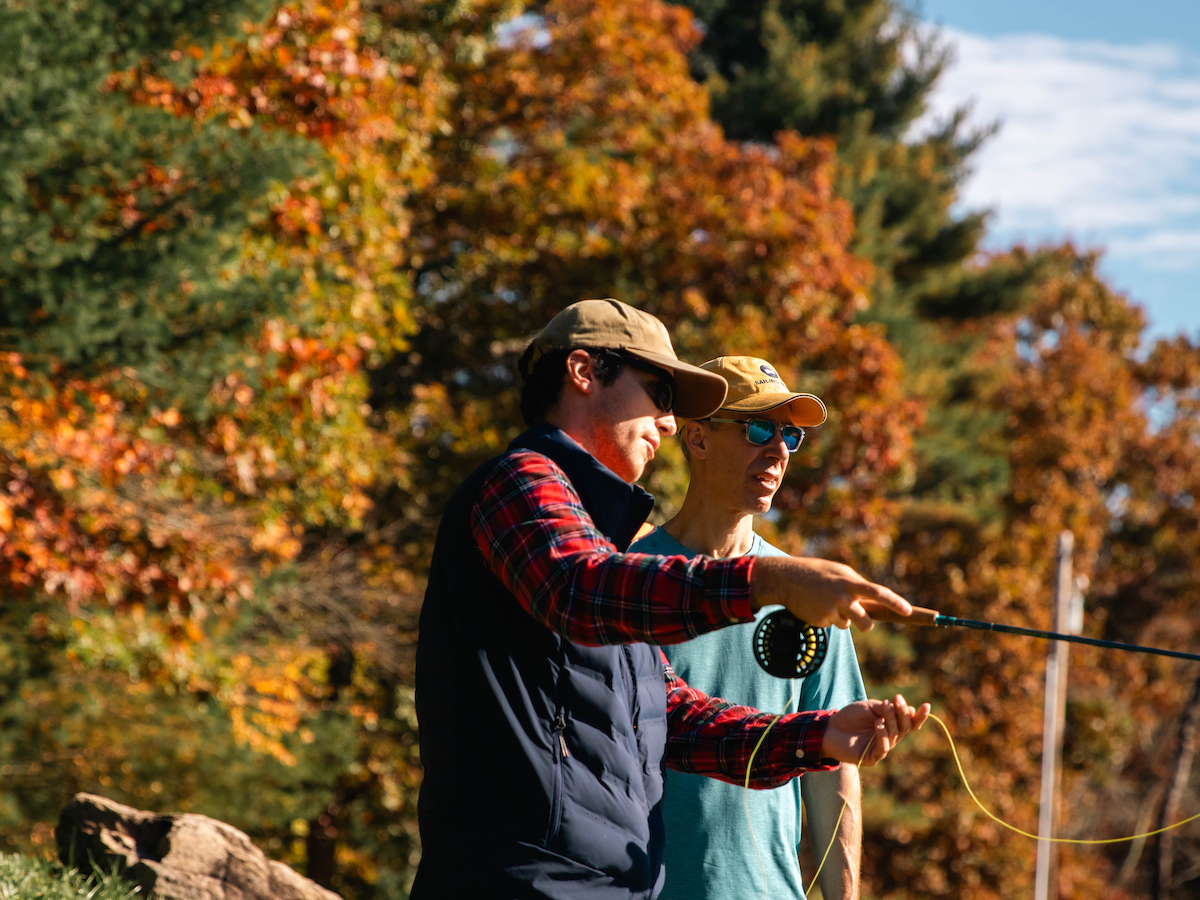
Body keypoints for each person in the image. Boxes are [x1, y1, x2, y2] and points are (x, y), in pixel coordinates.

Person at [412, 299, 929, 899]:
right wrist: (770, 581)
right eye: (659, 394)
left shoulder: (605, 548)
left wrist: (818, 738)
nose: (668, 423)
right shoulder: (520, 482)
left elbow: (674, 720)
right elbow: (578, 588)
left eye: (793, 435)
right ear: (583, 372)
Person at [632, 355, 885, 900]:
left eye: (789, 436)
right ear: (696, 439)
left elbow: (833, 764)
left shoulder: (808, 591)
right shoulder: (628, 580)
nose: (777, 451)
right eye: (758, 428)